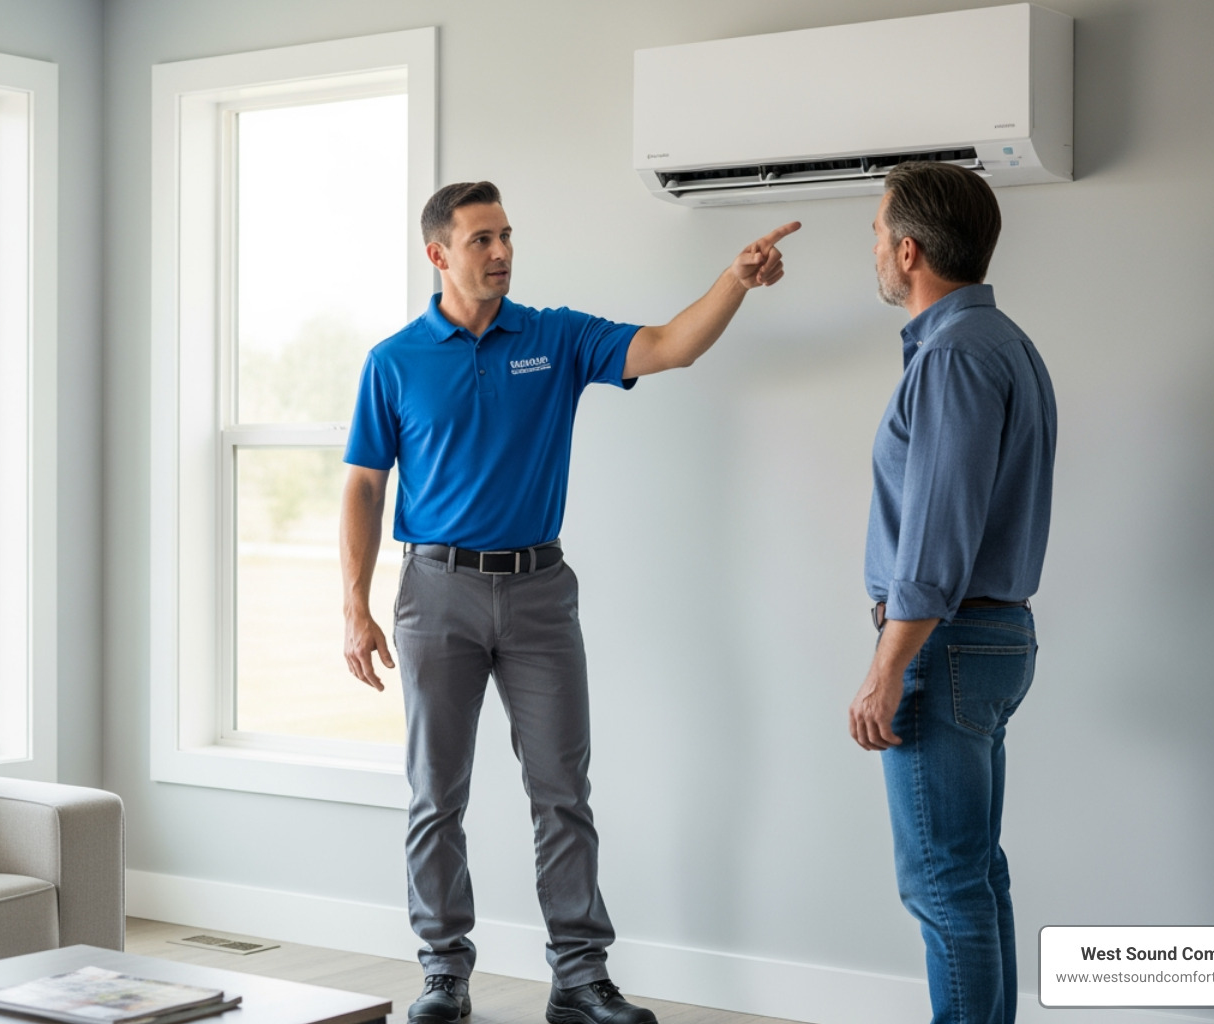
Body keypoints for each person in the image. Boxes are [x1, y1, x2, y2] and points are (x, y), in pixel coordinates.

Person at [341, 181, 798, 1024]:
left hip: (539, 593)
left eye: (507, 235)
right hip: (436, 592)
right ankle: (443, 972)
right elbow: (365, 487)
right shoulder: (395, 361)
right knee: (436, 795)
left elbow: (668, 346)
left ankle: (580, 980)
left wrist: (734, 281)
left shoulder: (552, 338)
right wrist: (354, 606)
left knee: (562, 794)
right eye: (481, 239)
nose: (502, 252)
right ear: (438, 253)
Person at [847, 161, 1057, 1024]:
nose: (873, 248)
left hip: (947, 644)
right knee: (972, 874)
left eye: (876, 231)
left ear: (909, 250)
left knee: (942, 884)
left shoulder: (955, 355)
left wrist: (887, 666)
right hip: (986, 640)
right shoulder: (1000, 342)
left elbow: (937, 536)